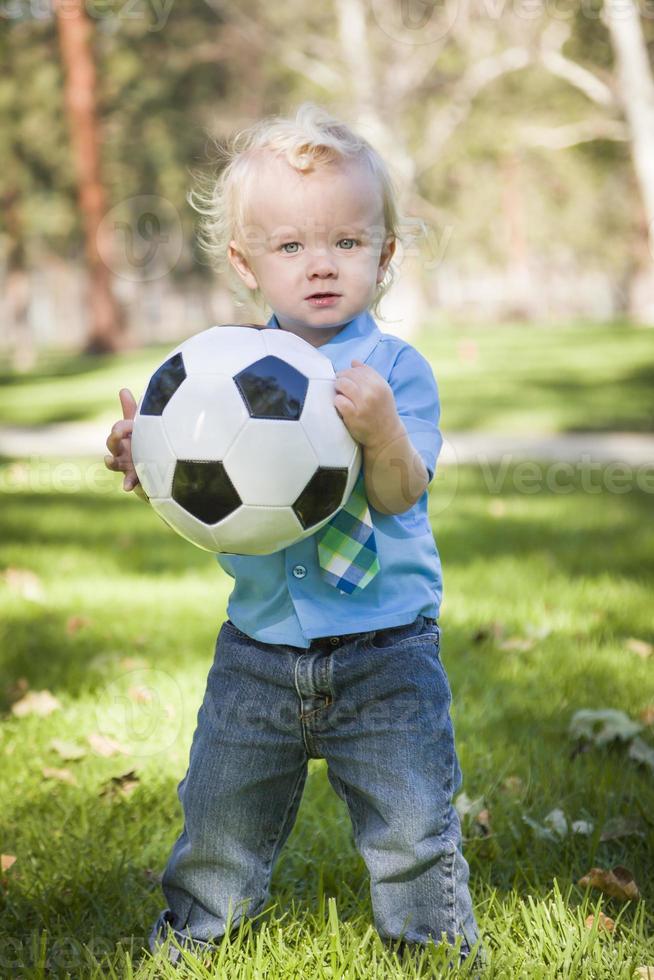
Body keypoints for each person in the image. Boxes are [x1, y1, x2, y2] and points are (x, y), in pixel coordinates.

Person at [104, 103, 483, 969]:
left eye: (348, 243)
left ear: (385, 256)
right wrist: (145, 452)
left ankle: (432, 947)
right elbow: (200, 489)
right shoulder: (219, 370)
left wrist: (384, 433)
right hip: (260, 650)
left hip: (386, 653)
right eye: (291, 247)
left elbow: (399, 494)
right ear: (246, 263)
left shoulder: (394, 372)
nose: (321, 265)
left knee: (412, 822)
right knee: (219, 813)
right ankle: (197, 938)